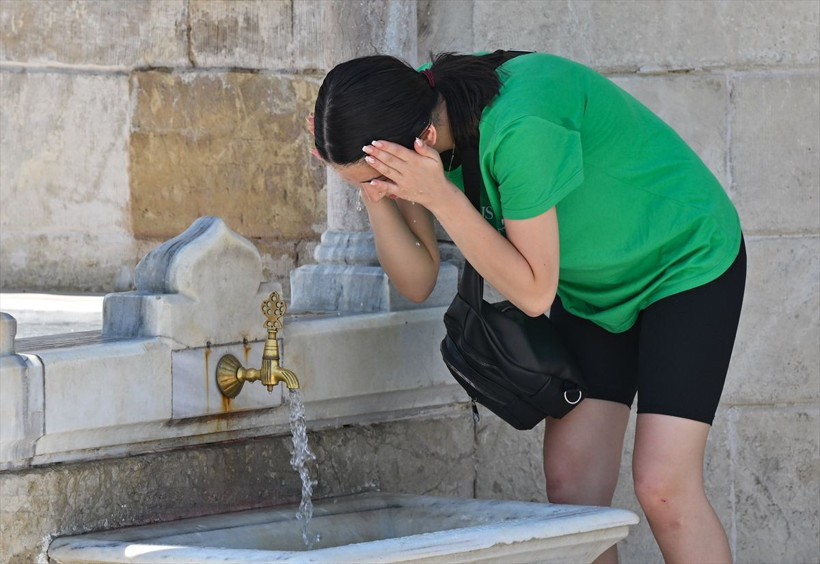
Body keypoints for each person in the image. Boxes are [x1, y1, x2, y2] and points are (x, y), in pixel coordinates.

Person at [309, 50, 745, 564]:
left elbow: (536, 292)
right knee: (572, 490)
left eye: (376, 174)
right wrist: (371, 189)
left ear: (418, 138)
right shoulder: (417, 134)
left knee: (663, 486)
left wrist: (441, 199)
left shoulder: (520, 126)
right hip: (593, 288)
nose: (379, 183)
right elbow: (418, 278)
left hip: (684, 261)